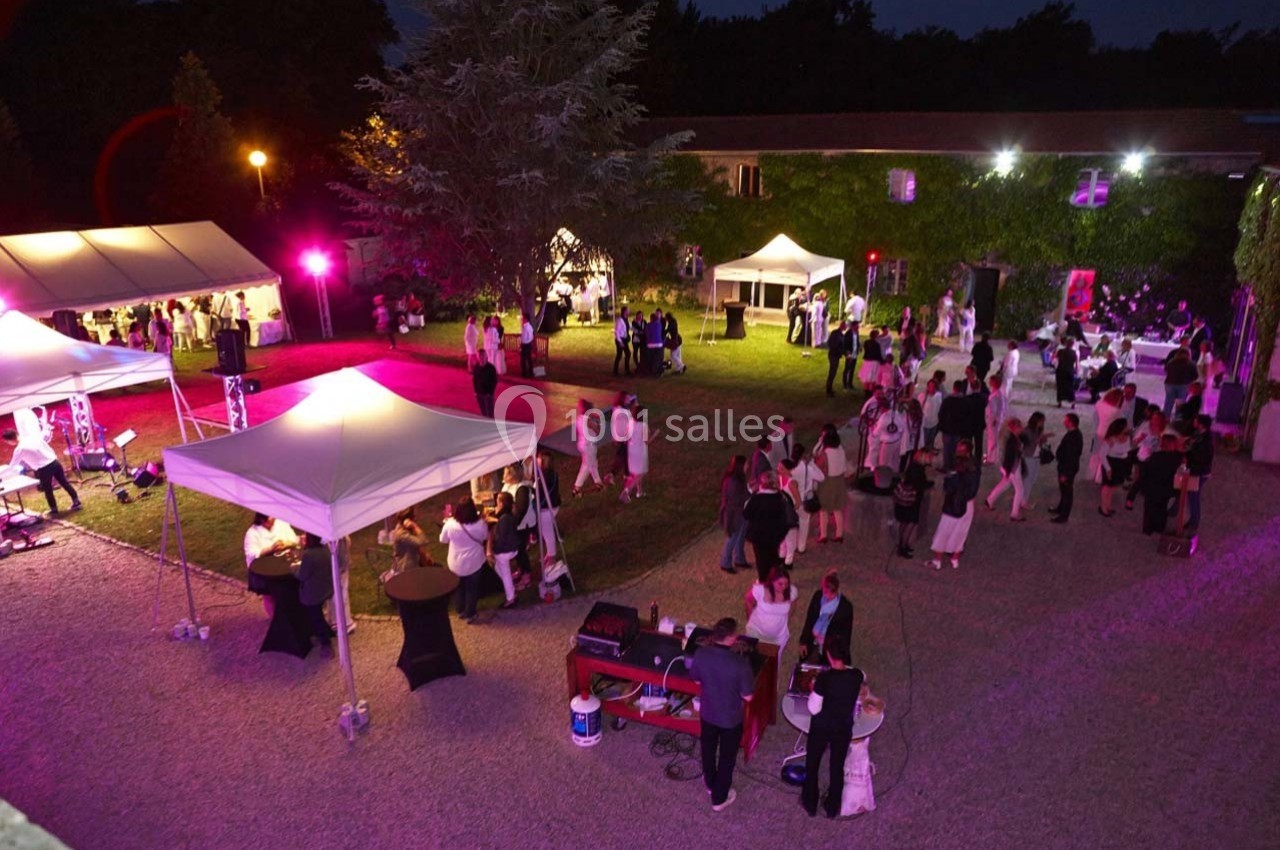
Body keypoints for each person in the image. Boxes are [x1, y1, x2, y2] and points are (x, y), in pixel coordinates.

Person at [688, 618, 755, 812]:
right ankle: (719, 798)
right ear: (732, 638)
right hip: (730, 719)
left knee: (708, 749)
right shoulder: (740, 663)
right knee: (727, 757)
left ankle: (710, 784)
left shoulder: (701, 654)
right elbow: (748, 696)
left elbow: (696, 680)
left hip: (708, 713)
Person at [802, 636, 863, 819]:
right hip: (842, 727)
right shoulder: (856, 676)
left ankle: (810, 802)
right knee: (837, 766)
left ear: (828, 655)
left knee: (812, 763)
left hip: (822, 726)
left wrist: (814, 689)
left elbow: (813, 708)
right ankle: (832, 807)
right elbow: (857, 677)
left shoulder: (824, 679)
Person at [927, 439, 981, 570]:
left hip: (954, 504)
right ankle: (955, 559)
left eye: (959, 450)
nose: (957, 452)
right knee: (961, 532)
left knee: (944, 531)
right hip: (969, 504)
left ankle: (937, 561)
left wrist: (949, 478)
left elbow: (948, 488)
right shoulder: (975, 467)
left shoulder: (956, 471)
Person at [3, 428, 80, 517]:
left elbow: (12, 466)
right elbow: (48, 447)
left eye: (8, 442)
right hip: (54, 462)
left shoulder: (19, 449)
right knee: (64, 483)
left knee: (48, 489)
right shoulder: (32, 438)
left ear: (10, 440)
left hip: (44, 469)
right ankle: (76, 501)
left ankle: (54, 510)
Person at [439, 497, 488, 622]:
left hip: (456, 563)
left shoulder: (450, 524)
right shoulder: (481, 524)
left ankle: (460, 611)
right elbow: (484, 537)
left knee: (458, 588)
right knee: (472, 588)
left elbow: (442, 540)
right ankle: (470, 614)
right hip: (474, 562)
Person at [243, 513, 298, 616]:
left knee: (289, 590)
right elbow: (251, 553)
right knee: (270, 595)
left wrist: (286, 543)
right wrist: (270, 549)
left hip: (281, 565)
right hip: (263, 570)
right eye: (269, 520)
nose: (272, 522)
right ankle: (274, 618)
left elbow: (294, 539)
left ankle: (289, 615)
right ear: (262, 520)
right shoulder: (252, 533)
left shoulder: (281, 523)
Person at [743, 470, 791, 581]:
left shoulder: (756, 499)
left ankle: (763, 580)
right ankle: (775, 579)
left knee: (761, 559)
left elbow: (746, 514)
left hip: (758, 536)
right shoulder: (780, 497)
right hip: (774, 535)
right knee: (773, 556)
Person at [294, 533, 335, 658]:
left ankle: (325, 642)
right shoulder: (325, 549)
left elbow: (302, 575)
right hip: (325, 589)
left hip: (313, 594)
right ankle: (327, 632)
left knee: (316, 617)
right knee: (317, 614)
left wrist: (293, 568)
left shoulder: (309, 555)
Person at [744, 567, 799, 660]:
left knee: (773, 662)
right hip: (756, 632)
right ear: (772, 582)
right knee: (754, 660)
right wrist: (749, 618)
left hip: (778, 636)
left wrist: (786, 619)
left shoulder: (791, 591)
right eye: (780, 584)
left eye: (786, 584)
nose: (784, 587)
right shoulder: (760, 590)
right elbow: (748, 600)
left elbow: (793, 604)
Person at [798, 570, 854, 662]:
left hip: (830, 648)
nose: (828, 596)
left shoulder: (845, 608)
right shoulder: (817, 597)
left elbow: (846, 634)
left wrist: (841, 656)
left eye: (831, 594)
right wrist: (803, 641)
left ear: (836, 590)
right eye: (825, 592)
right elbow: (809, 620)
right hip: (813, 642)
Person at [783, 443, 823, 562]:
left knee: (792, 524)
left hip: (792, 499)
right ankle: (801, 547)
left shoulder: (790, 467)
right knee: (804, 523)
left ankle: (790, 546)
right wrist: (812, 463)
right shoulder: (808, 468)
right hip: (805, 500)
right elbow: (821, 477)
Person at [984, 417, 1026, 520]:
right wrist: (1008, 470)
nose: (1022, 428)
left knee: (1005, 484)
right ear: (1015, 428)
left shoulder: (1013, 438)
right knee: (1019, 490)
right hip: (1013, 468)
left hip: (1011, 467)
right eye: (1020, 427)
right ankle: (1014, 514)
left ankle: (990, 500)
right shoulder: (1012, 441)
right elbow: (1009, 457)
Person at [1142, 434, 1184, 535]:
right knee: (1162, 508)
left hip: (1152, 486)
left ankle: (1148, 529)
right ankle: (1159, 527)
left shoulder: (1156, 456)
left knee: (1150, 508)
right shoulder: (1178, 457)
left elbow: (1147, 471)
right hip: (1167, 487)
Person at [487, 491, 523, 608]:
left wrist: (494, 551)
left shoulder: (504, 519)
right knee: (499, 568)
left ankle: (510, 599)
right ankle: (511, 589)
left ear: (501, 503)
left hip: (506, 550)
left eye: (498, 500)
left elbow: (501, 539)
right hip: (512, 546)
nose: (496, 502)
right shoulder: (508, 515)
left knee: (504, 572)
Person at [1125, 409, 1166, 510]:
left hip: (1156, 457)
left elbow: (1164, 445)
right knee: (1141, 478)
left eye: (1156, 419)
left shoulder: (1164, 430)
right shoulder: (1146, 427)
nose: (1154, 421)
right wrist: (1140, 439)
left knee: (1152, 478)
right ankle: (1130, 499)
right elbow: (1135, 441)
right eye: (1153, 418)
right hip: (1143, 456)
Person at [895, 448, 931, 556]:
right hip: (912, 501)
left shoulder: (913, 466)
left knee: (904, 523)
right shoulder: (918, 469)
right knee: (910, 523)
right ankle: (903, 548)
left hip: (904, 499)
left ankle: (902, 545)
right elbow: (919, 485)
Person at [719, 454, 751, 575]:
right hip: (734, 514)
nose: (748, 466)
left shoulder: (737, 479)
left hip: (739, 512)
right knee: (732, 538)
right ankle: (725, 563)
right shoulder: (732, 481)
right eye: (746, 464)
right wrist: (750, 493)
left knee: (740, 536)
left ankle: (739, 559)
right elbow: (736, 499)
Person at [814, 427, 846, 543]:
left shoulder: (824, 454)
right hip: (839, 481)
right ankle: (839, 534)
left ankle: (823, 535)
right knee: (838, 509)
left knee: (823, 510)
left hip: (828, 483)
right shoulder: (841, 450)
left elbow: (817, 464)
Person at [1049, 413, 1084, 523]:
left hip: (1067, 469)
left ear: (1071, 422)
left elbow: (1071, 457)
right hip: (1066, 467)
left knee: (1067, 491)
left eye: (1066, 420)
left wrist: (1065, 473)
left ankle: (1064, 516)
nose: (1064, 422)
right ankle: (1060, 508)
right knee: (1064, 490)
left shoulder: (1073, 437)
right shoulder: (1074, 434)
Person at [1097, 418, 1132, 517]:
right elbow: (1102, 455)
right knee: (1107, 486)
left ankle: (1108, 505)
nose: (1127, 428)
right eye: (1126, 426)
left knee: (1114, 485)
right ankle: (1103, 507)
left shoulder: (1127, 437)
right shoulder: (1110, 439)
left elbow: (1127, 450)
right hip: (1110, 462)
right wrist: (1108, 469)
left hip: (1121, 463)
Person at [1185, 414, 1213, 532]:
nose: (1194, 422)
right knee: (1190, 494)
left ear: (1201, 424)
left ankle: (1194, 521)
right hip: (1196, 469)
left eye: (1196, 421)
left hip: (1198, 472)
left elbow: (1200, 457)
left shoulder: (1204, 441)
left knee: (1193, 496)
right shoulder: (1199, 435)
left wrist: (1188, 458)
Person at [620, 402, 652, 502]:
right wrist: (655, 434)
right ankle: (626, 491)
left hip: (631, 451)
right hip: (640, 452)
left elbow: (626, 436)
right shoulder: (643, 425)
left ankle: (639, 491)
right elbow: (647, 441)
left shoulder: (630, 423)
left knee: (635, 473)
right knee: (641, 473)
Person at [572, 399, 604, 495]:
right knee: (591, 465)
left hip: (582, 444)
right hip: (589, 446)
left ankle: (581, 485)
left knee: (589, 464)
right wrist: (599, 422)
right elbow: (598, 431)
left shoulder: (578, 419)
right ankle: (597, 483)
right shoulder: (588, 421)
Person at [1019, 411, 1049, 511]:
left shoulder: (1038, 430)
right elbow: (1028, 442)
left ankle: (1023, 499)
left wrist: (1043, 439)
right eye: (1042, 421)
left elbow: (1038, 442)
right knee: (1028, 480)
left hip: (1036, 455)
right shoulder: (1027, 430)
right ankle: (1023, 501)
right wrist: (1041, 438)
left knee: (1033, 478)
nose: (1043, 423)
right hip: (1028, 456)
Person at [389, 507, 429, 573]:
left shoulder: (404, 529)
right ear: (407, 519)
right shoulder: (402, 534)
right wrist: (415, 527)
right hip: (405, 570)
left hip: (413, 564)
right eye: (413, 516)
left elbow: (414, 545)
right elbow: (423, 541)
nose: (415, 517)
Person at [1162, 348, 1197, 417]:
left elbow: (1166, 370)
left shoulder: (1171, 362)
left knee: (1169, 402)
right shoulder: (1191, 364)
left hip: (1170, 383)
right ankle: (1178, 418)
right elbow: (1195, 375)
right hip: (1184, 385)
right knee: (1181, 403)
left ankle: (1165, 417)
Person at [983, 375, 1007, 463]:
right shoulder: (996, 392)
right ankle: (990, 455)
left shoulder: (998, 394)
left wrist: (996, 419)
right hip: (992, 418)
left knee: (993, 438)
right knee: (991, 437)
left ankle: (992, 458)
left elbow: (999, 408)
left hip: (994, 420)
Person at [918, 379, 943, 451]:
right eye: (930, 386)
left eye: (933, 387)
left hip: (934, 423)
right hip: (925, 424)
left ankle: (929, 455)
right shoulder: (922, 396)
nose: (931, 388)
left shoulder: (939, 395)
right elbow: (919, 408)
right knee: (924, 443)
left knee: (931, 441)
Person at [1053, 338, 1079, 407]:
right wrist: (1076, 371)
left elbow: (1054, 359)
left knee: (1060, 387)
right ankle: (1073, 403)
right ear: (1073, 344)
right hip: (1070, 371)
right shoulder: (1074, 353)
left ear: (1066, 343)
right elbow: (1077, 364)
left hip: (1061, 370)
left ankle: (1059, 402)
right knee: (1070, 387)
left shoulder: (1060, 351)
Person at [472, 350, 498, 417]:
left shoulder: (491, 368)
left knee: (490, 412)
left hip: (488, 395)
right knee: (483, 412)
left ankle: (492, 425)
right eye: (480, 356)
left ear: (486, 356)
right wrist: (475, 392)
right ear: (477, 357)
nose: (481, 358)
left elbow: (494, 381)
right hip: (479, 394)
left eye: (483, 356)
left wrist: (490, 393)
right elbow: (474, 380)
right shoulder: (476, 367)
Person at [825, 320, 847, 397]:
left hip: (836, 355)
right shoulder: (836, 334)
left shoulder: (840, 334)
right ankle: (828, 390)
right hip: (833, 355)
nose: (846, 327)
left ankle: (829, 388)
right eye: (845, 326)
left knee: (833, 372)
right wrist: (842, 352)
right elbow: (834, 345)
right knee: (832, 372)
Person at [613, 307, 632, 376]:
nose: (629, 312)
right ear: (624, 312)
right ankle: (615, 371)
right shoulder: (620, 320)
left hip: (624, 340)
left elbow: (630, 327)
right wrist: (620, 342)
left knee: (628, 354)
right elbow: (617, 332)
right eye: (627, 311)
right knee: (619, 355)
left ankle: (627, 370)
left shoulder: (626, 320)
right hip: (620, 340)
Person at [645, 311, 665, 377]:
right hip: (658, 344)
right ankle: (657, 371)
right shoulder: (659, 324)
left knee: (651, 359)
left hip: (650, 345)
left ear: (650, 319)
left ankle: (651, 371)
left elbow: (647, 334)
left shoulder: (648, 325)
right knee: (659, 358)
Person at [842, 321, 860, 390]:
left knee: (852, 369)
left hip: (855, 353)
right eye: (857, 326)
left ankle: (850, 383)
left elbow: (857, 341)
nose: (858, 327)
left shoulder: (857, 333)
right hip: (849, 353)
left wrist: (858, 347)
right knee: (847, 369)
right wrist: (847, 353)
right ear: (853, 326)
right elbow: (845, 344)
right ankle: (845, 384)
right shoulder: (848, 333)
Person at [519, 312, 535, 377]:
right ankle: (529, 372)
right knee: (528, 359)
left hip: (526, 345)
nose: (521, 319)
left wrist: (525, 342)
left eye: (522, 318)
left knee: (524, 359)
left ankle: (525, 373)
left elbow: (529, 336)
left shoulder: (527, 327)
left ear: (526, 319)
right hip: (526, 344)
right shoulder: (526, 326)